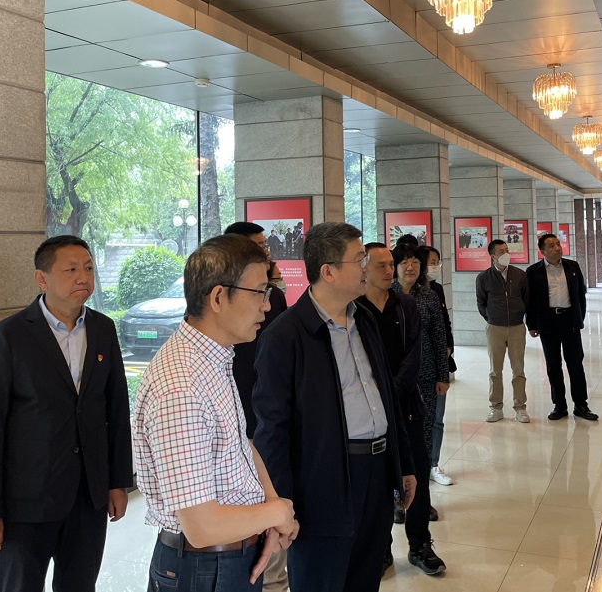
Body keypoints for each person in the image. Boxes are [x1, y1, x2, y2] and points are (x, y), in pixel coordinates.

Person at [253, 221, 415, 592]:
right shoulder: (286, 335)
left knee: (365, 577)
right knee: (321, 579)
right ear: (328, 272)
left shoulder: (365, 320)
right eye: (359, 260)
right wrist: (279, 503)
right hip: (323, 482)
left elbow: (387, 400)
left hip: (377, 473)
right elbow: (272, 430)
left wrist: (402, 464)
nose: (366, 267)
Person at [132, 235, 299, 592]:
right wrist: (278, 512)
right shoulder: (181, 385)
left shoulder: (213, 358)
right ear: (219, 297)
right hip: (204, 567)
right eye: (260, 292)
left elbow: (239, 443)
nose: (266, 306)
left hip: (232, 556)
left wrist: (271, 505)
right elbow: (202, 525)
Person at [0, 235, 133, 592]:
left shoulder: (103, 329)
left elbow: (116, 409)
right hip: (25, 504)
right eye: (70, 270)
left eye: (88, 268)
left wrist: (117, 481)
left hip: (88, 499)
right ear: (41, 279)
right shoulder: (8, 336)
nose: (83, 278)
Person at [357, 243, 446, 577]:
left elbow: (413, 356)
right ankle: (380, 548)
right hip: (368, 410)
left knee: (416, 474)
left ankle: (420, 544)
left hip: (405, 404)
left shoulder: (405, 305)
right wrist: (378, 398)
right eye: (380, 265)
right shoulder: (354, 308)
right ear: (364, 268)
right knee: (378, 481)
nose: (387, 270)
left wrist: (391, 394)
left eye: (389, 264)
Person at [224, 221, 291, 592]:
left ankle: (275, 578)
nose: (263, 306)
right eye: (258, 246)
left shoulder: (275, 297)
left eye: (266, 246)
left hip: (267, 412)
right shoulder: (194, 368)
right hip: (241, 408)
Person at [391, 244, 448, 501]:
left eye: (415, 262)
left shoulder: (428, 296)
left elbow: (439, 336)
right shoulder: (386, 295)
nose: (410, 267)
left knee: (423, 437)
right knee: (396, 436)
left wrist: (442, 376)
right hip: (394, 378)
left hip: (425, 375)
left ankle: (422, 499)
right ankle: (397, 497)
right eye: (404, 262)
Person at [526, 234, 599, 421]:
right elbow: (530, 301)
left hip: (569, 320)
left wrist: (579, 318)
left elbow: (580, 294)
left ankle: (581, 405)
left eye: (558, 244)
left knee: (575, 364)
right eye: (551, 245)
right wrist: (532, 324)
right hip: (547, 321)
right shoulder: (533, 272)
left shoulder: (572, 266)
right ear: (542, 251)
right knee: (553, 365)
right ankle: (559, 405)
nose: (557, 248)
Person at [475, 239, 530, 423]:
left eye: (507, 250)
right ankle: (496, 407)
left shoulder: (520, 275)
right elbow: (481, 302)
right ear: (492, 256)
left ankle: (520, 407)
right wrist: (492, 317)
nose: (506, 254)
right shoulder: (483, 277)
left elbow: (527, 299)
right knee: (495, 371)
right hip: (495, 328)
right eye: (501, 251)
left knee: (518, 369)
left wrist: (519, 315)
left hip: (516, 327)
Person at [420, 245, 455, 486]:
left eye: (437, 262)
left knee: (437, 419)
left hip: (438, 363)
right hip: (418, 368)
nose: (436, 266)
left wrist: (449, 347)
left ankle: (433, 464)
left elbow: (444, 323)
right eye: (432, 262)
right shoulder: (402, 293)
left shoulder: (437, 289)